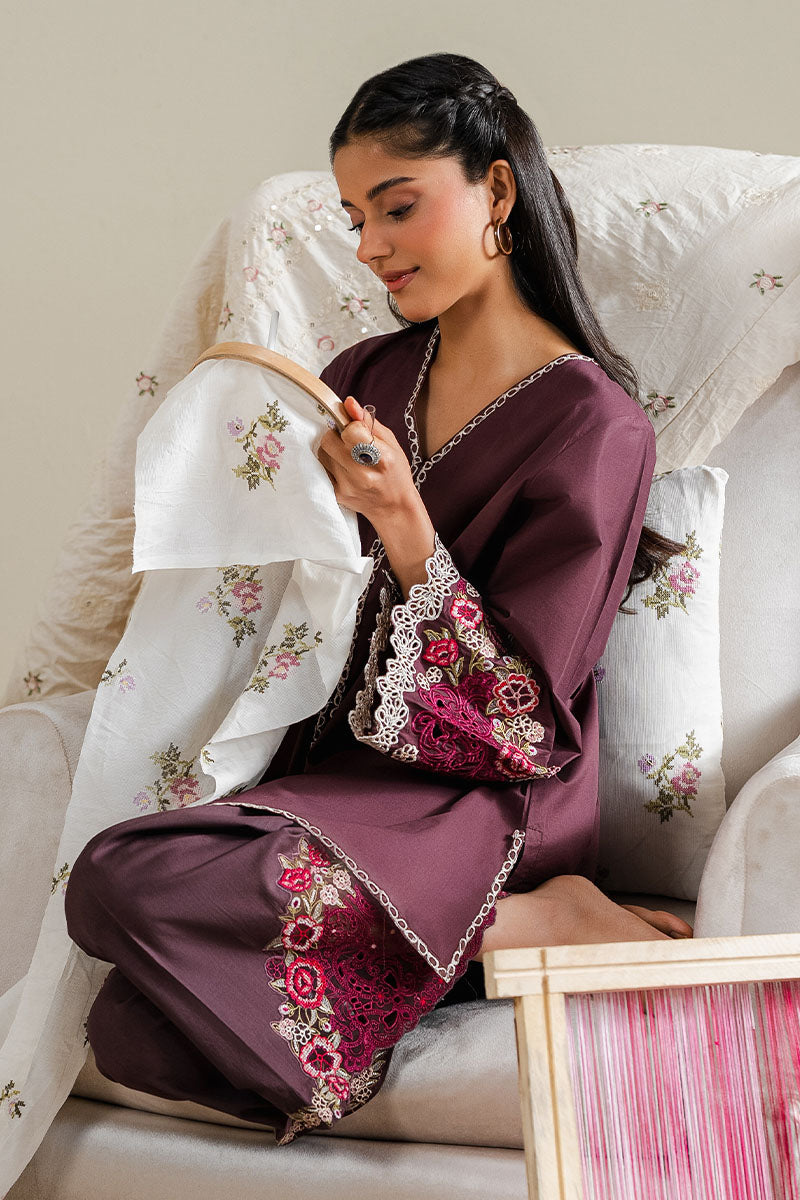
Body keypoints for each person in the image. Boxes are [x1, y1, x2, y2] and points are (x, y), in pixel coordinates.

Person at [64, 51, 693, 1146]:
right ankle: (474, 944)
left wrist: (403, 519)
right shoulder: (365, 375)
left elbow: (523, 722)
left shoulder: (597, 427)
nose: (369, 248)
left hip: (482, 803)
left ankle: (524, 919)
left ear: (496, 192)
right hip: (342, 780)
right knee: (134, 1022)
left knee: (125, 880)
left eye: (397, 208)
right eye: (356, 219)